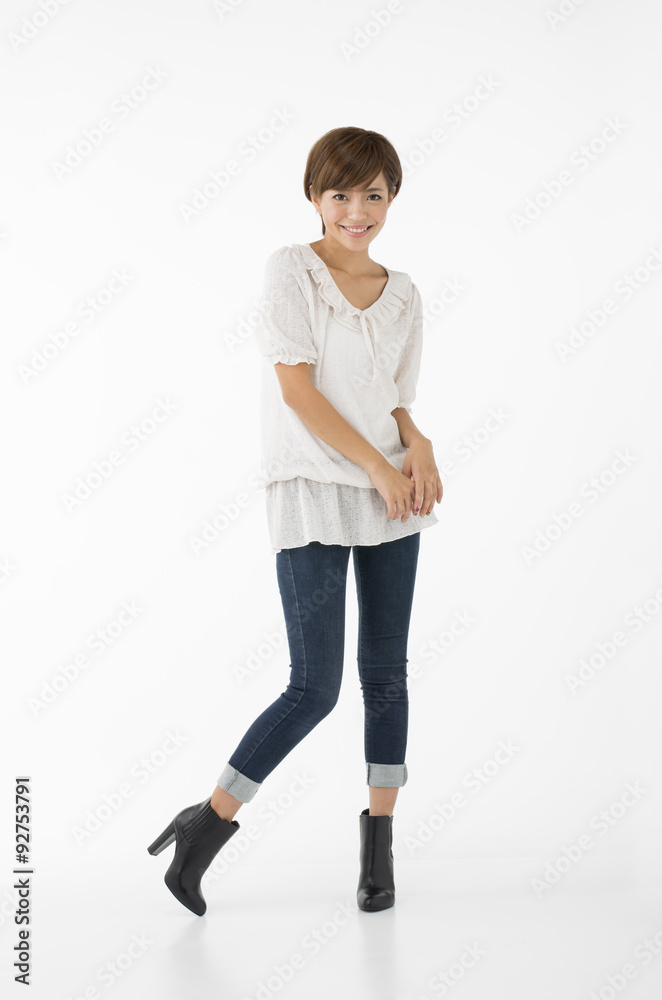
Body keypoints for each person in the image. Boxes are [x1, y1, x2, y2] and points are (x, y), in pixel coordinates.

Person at [148, 126, 443, 916]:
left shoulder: (405, 292)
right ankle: (206, 825)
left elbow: (395, 400)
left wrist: (418, 445)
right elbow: (298, 391)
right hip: (315, 486)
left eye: (373, 194)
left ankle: (378, 850)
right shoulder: (292, 271)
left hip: (393, 492)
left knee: (387, 677)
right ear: (314, 196)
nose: (356, 210)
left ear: (393, 198)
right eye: (339, 193)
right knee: (313, 687)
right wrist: (379, 466)